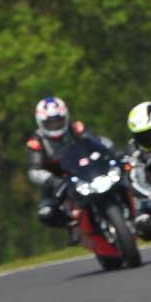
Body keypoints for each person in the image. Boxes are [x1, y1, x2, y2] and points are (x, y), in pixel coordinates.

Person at [27, 96, 116, 243]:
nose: (55, 125)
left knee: (119, 175)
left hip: (84, 169)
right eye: (50, 122)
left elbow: (97, 142)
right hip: (57, 179)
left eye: (58, 120)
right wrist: (51, 179)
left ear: (66, 117)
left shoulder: (76, 128)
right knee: (46, 213)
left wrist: (113, 152)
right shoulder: (36, 142)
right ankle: (71, 223)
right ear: (40, 122)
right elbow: (34, 170)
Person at [126, 101, 151, 243]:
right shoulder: (136, 151)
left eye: (148, 133)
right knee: (143, 224)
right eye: (140, 135)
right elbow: (135, 179)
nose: (145, 139)